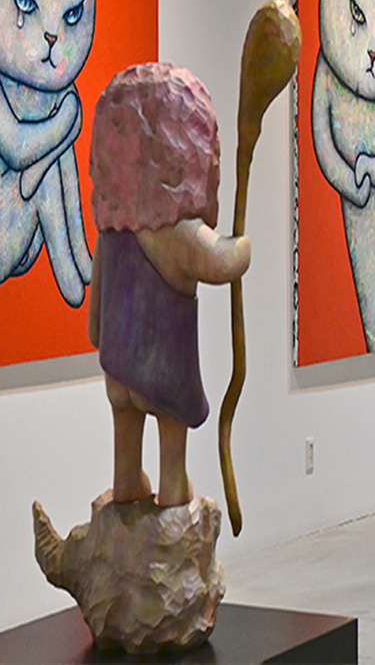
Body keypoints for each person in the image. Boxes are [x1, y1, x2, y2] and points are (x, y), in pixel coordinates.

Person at [87, 63, 250, 507]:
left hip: (118, 368)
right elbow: (221, 260)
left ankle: (126, 483)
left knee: (125, 424)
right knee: (170, 428)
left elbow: (95, 318)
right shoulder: (179, 235)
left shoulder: (111, 235)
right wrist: (243, 248)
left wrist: (100, 335)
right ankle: (172, 488)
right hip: (163, 375)